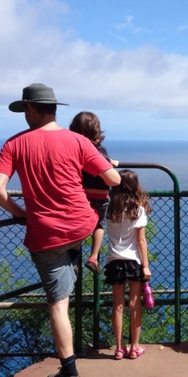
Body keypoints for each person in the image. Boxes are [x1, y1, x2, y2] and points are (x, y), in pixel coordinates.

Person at [0, 83, 121, 377]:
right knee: (70, 255)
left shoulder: (14, 144)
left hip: (46, 233)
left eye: (24, 110)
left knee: (58, 305)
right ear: (54, 108)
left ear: (32, 109)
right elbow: (113, 179)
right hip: (82, 225)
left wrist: (21, 213)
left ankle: (70, 376)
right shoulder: (77, 141)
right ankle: (72, 266)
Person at [104, 169, 152, 360]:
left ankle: (118, 348)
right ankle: (134, 347)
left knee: (117, 305)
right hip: (133, 261)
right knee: (134, 304)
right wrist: (145, 266)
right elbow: (141, 241)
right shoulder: (137, 210)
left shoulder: (110, 209)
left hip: (114, 260)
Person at [69, 111, 118, 274]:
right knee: (99, 224)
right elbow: (105, 166)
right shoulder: (99, 149)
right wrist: (112, 163)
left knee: (81, 224)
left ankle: (74, 256)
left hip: (83, 194)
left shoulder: (75, 150)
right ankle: (93, 257)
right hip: (101, 194)